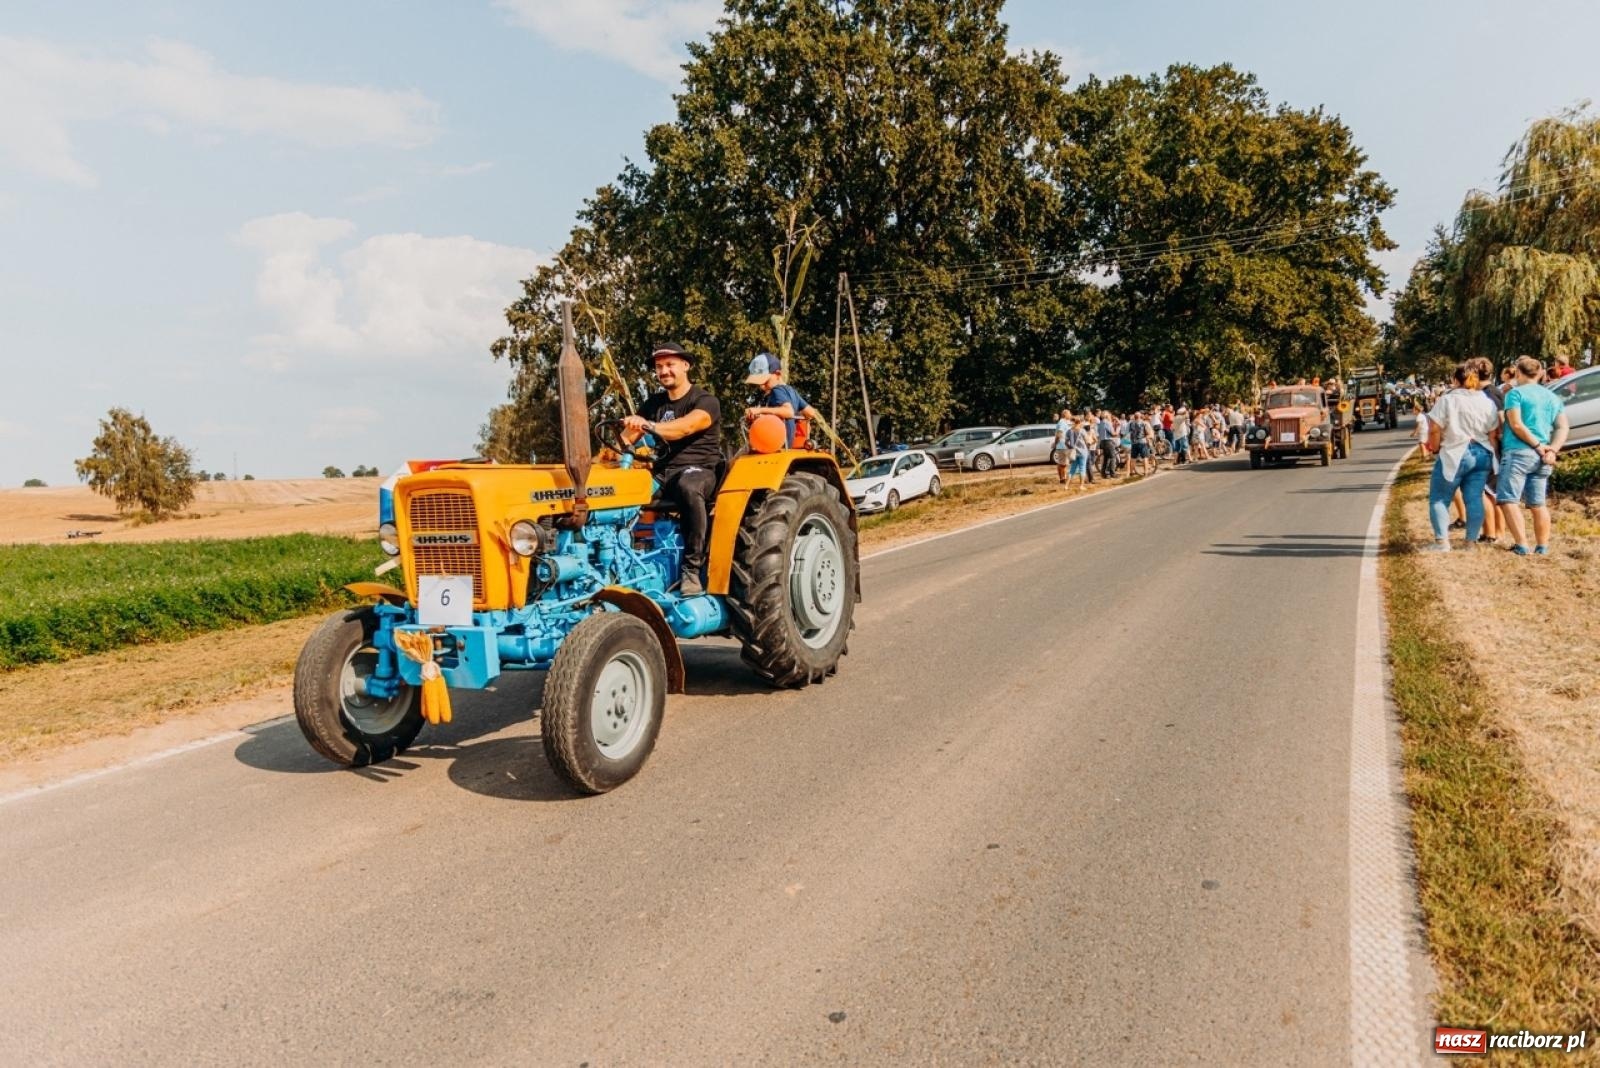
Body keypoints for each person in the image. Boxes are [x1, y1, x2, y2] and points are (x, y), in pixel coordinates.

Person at [623, 342, 723, 594]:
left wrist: (648, 425)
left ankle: (692, 569)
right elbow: (625, 438)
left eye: (670, 365)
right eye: (659, 367)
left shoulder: (705, 401)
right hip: (662, 473)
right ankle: (623, 561)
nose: (664, 371)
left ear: (686, 366)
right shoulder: (654, 404)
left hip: (699, 471)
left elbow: (684, 427)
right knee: (618, 494)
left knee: (688, 486)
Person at [1422, 361, 1500, 552]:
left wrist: (1435, 447)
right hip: (1482, 452)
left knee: (1440, 499)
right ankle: (1470, 542)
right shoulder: (1486, 401)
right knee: (1474, 497)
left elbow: (1434, 428)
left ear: (1455, 379)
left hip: (1455, 451)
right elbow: (1493, 433)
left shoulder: (1448, 400)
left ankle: (1442, 542)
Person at [1496, 355, 1570, 556]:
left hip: (1519, 452)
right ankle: (1542, 546)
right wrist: (1552, 449)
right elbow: (1563, 427)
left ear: (1518, 373)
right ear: (1540, 374)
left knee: (1508, 499)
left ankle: (1521, 544)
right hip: (1544, 455)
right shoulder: (1552, 397)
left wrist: (1537, 446)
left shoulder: (1515, 394)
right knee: (1538, 503)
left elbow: (1516, 424)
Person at [742, 352, 816, 448]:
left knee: (738, 457)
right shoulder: (791, 391)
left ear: (778, 374)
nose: (761, 386)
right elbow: (811, 413)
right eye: (759, 383)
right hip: (787, 444)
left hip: (776, 444)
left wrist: (759, 410)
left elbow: (788, 412)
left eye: (765, 381)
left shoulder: (777, 391)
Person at [1053, 407, 1074, 485]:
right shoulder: (1062, 422)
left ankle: (1062, 479)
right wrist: (1056, 443)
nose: (1070, 414)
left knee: (1061, 463)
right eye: (1069, 413)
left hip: (1063, 445)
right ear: (1065, 415)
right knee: (1063, 464)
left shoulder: (1066, 422)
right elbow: (1059, 433)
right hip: (1062, 445)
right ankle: (1063, 479)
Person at [1096, 411, 1118, 479]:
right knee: (1112, 457)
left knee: (1106, 458)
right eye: (1109, 415)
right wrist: (1117, 430)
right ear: (1106, 416)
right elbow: (1113, 433)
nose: (1110, 416)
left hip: (1102, 441)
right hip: (1108, 441)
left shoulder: (1100, 423)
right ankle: (1112, 473)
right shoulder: (1107, 423)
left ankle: (1103, 473)